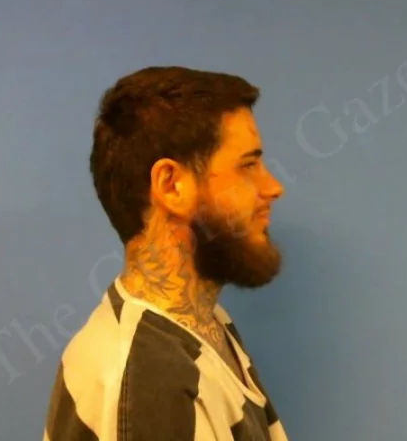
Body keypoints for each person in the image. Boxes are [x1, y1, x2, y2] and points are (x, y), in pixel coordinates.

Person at [43, 66, 288, 440]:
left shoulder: (203, 324)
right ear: (172, 186)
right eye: (248, 165)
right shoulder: (148, 380)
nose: (272, 187)